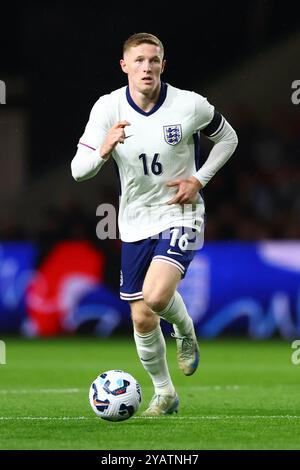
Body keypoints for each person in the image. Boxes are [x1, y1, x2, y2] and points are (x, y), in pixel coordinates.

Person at [71, 32, 238, 416]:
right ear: (124, 65)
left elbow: (228, 138)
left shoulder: (189, 105)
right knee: (142, 316)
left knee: (157, 296)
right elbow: (78, 171)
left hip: (182, 212)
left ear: (163, 64)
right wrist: (103, 149)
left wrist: (199, 179)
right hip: (133, 221)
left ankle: (185, 331)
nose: (147, 67)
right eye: (140, 60)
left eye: (154, 60)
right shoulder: (108, 108)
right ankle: (165, 394)